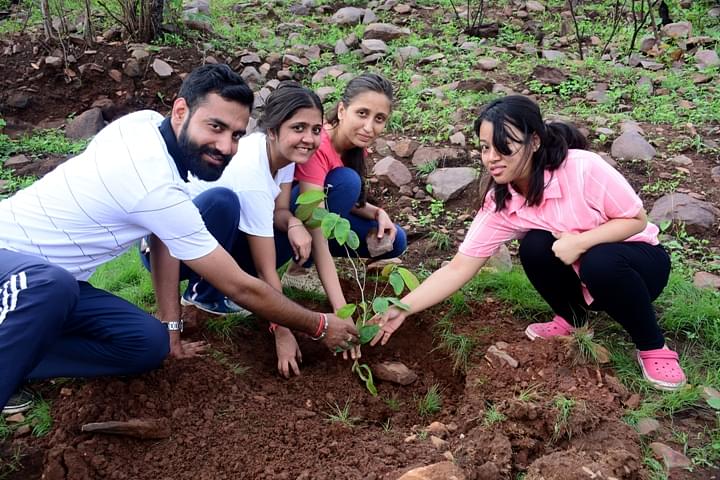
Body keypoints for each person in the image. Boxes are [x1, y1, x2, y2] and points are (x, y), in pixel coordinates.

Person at [0, 64, 358, 414]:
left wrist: (171, 329)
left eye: (236, 134)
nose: (226, 146)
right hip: (12, 261)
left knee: (147, 343)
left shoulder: (143, 124)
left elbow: (162, 234)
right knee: (53, 285)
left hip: (54, 284)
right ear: (180, 111)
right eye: (215, 127)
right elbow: (240, 286)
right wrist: (318, 324)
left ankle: (21, 358)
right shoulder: (154, 182)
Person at [370, 95, 685, 391]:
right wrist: (402, 308)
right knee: (535, 246)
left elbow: (636, 220)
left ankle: (653, 345)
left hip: (638, 267)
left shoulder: (582, 167)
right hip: (584, 273)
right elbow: (458, 268)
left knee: (599, 261)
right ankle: (574, 321)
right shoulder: (502, 201)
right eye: (485, 148)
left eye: (504, 147)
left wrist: (581, 242)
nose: (492, 158)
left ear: (534, 141)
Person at [182, 82, 330, 377]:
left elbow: (279, 211)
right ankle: (202, 294)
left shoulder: (285, 157)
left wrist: (294, 223)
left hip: (222, 238)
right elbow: (266, 269)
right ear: (273, 130)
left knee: (285, 237)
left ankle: (228, 287)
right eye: (298, 128)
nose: (309, 139)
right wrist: (282, 331)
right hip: (174, 250)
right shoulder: (252, 169)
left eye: (316, 129)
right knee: (223, 202)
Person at [282, 73, 407, 307]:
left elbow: (341, 199)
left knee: (395, 239)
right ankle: (299, 270)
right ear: (341, 111)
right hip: (288, 221)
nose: (369, 127)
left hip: (318, 214)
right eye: (362, 113)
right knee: (348, 181)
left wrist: (377, 212)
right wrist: (341, 308)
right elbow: (316, 214)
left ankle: (307, 262)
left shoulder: (355, 147)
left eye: (379, 119)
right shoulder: (318, 144)